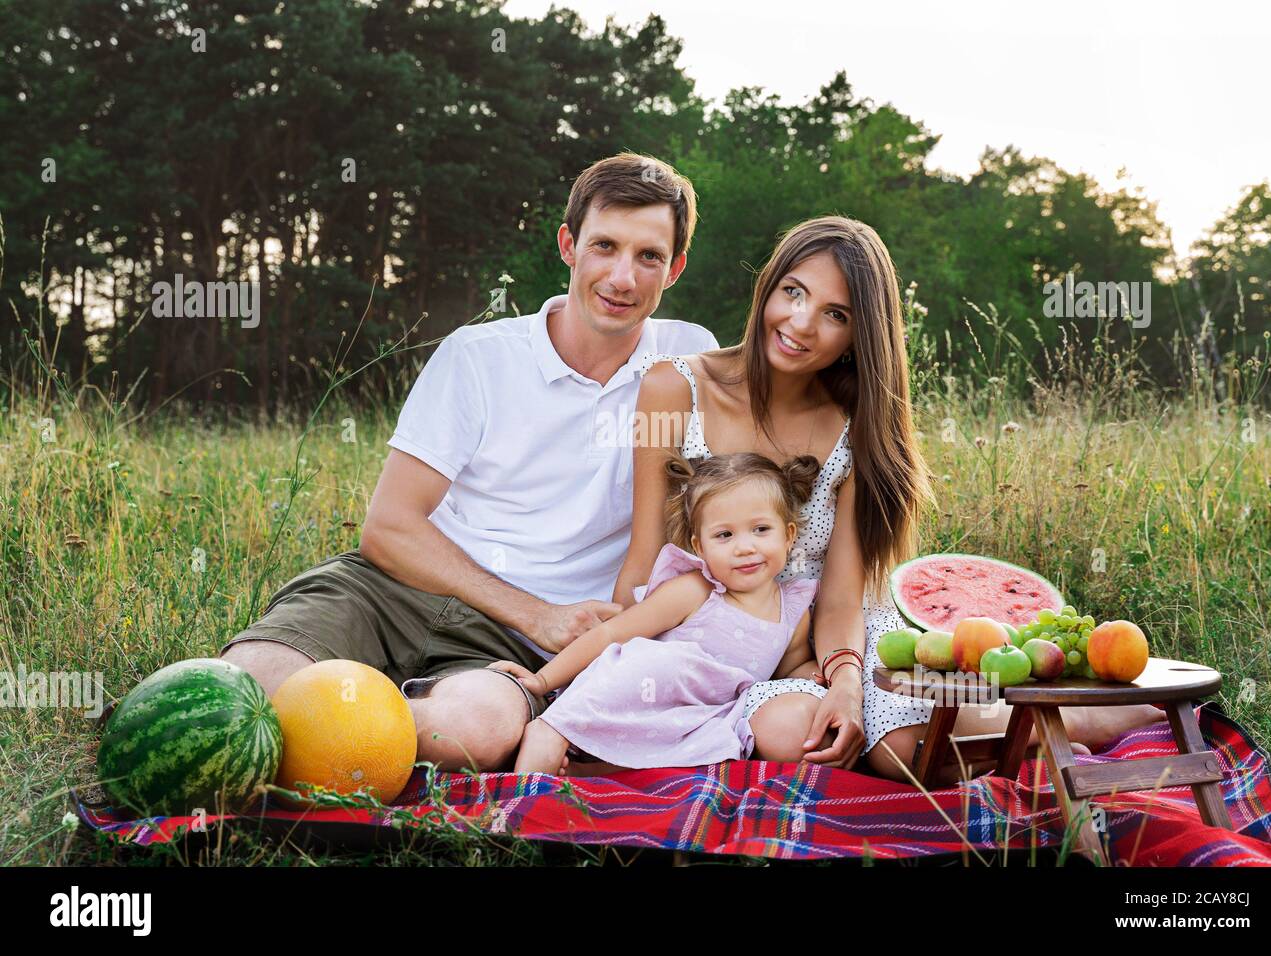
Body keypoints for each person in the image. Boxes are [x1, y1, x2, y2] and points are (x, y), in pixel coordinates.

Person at [615, 215, 1167, 784]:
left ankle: (1075, 721)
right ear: (769, 285)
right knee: (795, 736)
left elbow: (843, 596)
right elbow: (643, 560)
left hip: (833, 643)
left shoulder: (852, 428)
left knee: (904, 751)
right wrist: (619, 674)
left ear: (859, 335)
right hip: (717, 644)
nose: (801, 323)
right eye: (793, 292)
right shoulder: (672, 387)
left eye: (836, 315)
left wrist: (848, 685)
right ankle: (1033, 719)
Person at [219, 152, 718, 772]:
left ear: (675, 268)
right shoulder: (479, 356)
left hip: (512, 646)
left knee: (467, 734)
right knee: (246, 690)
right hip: (396, 591)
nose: (622, 277)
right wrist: (538, 612)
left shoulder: (691, 358)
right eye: (604, 246)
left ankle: (337, 738)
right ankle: (314, 722)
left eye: (649, 256)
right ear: (568, 244)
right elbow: (390, 527)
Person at [495, 452, 827, 775]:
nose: (745, 547)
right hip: (634, 688)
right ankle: (542, 751)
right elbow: (611, 633)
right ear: (700, 547)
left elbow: (793, 667)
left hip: (700, 714)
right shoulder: (695, 589)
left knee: (716, 751)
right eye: (725, 535)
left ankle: (592, 771)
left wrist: (827, 679)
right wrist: (543, 680)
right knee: (601, 702)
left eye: (760, 529)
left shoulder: (793, 611)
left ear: (789, 536)